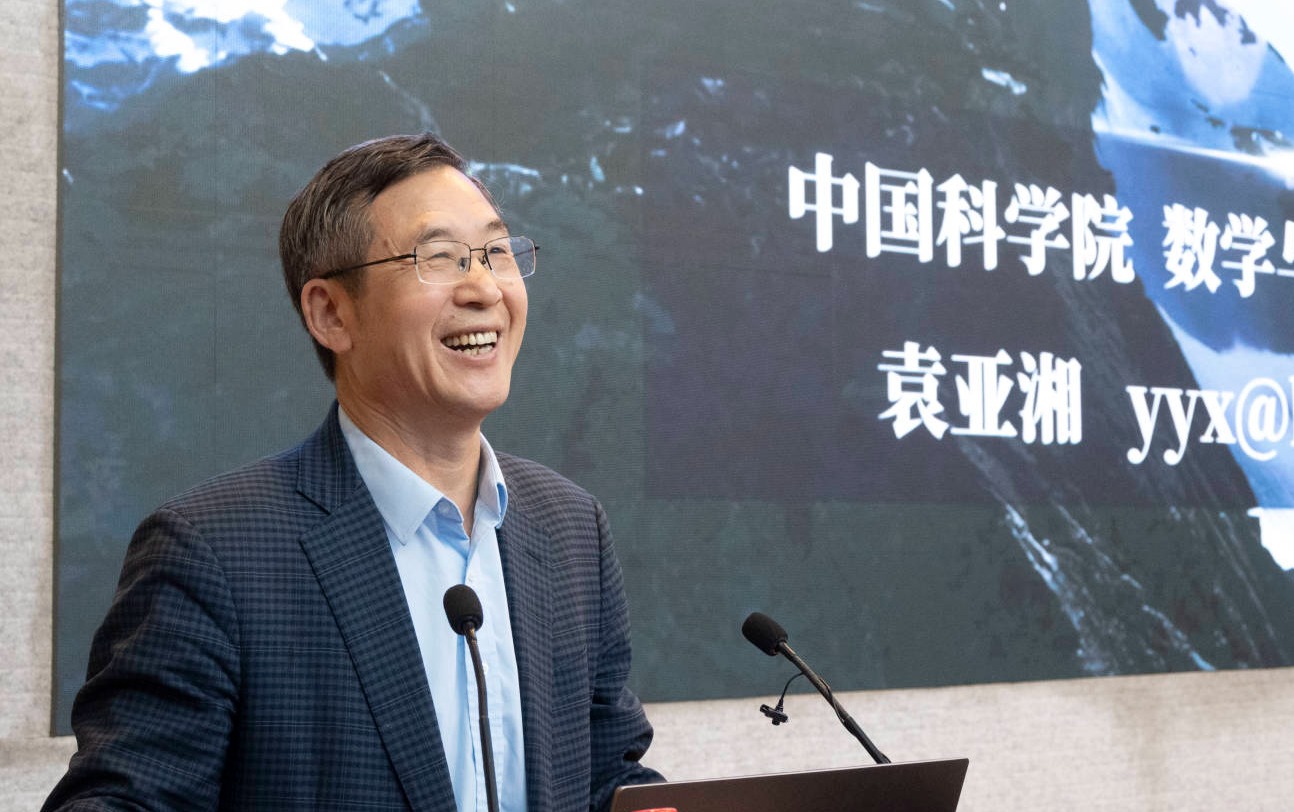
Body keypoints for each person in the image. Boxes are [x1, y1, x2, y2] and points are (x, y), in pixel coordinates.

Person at [44, 133, 661, 811]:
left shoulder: (569, 528)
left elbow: (608, 775)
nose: (484, 288)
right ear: (331, 313)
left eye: (495, 252)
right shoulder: (213, 554)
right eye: (440, 258)